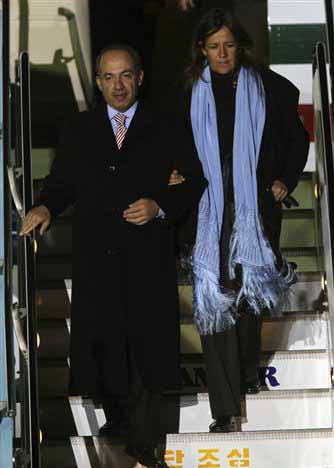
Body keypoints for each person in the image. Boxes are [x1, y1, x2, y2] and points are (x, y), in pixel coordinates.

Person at [20, 44, 206, 467]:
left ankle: (145, 437)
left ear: (139, 77)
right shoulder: (80, 129)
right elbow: (63, 181)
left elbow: (194, 179)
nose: (118, 85)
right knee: (105, 345)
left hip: (147, 254)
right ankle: (119, 420)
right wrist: (47, 205)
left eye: (125, 75)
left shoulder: (167, 125)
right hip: (98, 255)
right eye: (109, 77)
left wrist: (159, 204)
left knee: (146, 346)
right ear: (98, 82)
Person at [169, 8, 309, 432]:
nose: (222, 53)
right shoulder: (187, 92)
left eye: (229, 44)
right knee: (215, 302)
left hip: (255, 207)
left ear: (240, 45)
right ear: (202, 49)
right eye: (214, 46)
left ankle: (248, 373)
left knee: (250, 300)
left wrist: (285, 178)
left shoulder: (267, 85)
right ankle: (225, 409)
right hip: (206, 209)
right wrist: (172, 172)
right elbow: (170, 141)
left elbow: (296, 136)